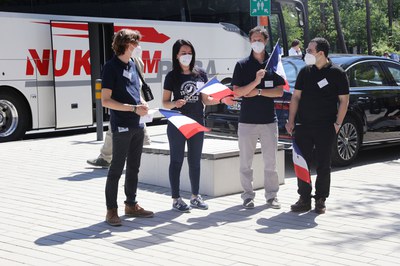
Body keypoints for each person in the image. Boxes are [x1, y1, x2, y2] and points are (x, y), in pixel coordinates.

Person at [162, 39, 234, 212]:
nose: (186, 56)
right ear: (176, 55)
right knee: (177, 160)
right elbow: (164, 103)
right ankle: (176, 199)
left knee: (195, 161)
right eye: (183, 53)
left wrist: (223, 98)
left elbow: (206, 99)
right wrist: (175, 103)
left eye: (189, 52)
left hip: (196, 122)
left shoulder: (200, 74)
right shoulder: (172, 76)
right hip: (178, 122)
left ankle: (195, 196)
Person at [285, 37, 349, 214]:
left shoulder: (337, 73)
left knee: (323, 164)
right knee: (301, 163)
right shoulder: (305, 72)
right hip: (304, 125)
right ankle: (304, 198)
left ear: (321, 53)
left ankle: (320, 199)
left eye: (310, 51)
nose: (307, 53)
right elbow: (295, 97)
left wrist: (338, 123)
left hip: (326, 126)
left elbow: (344, 101)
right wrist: (291, 121)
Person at [102, 29, 154, 226]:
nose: (138, 46)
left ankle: (131, 205)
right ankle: (111, 211)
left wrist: (141, 104)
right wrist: (133, 108)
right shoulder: (110, 67)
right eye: (135, 43)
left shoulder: (132, 64)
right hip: (122, 125)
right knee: (116, 168)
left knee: (134, 167)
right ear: (126, 44)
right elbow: (106, 101)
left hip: (137, 124)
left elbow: (134, 91)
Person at [232, 26, 285, 210]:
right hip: (247, 121)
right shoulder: (242, 65)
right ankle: (247, 196)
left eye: (260, 40)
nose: (257, 43)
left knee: (271, 162)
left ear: (266, 41)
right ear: (249, 41)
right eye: (253, 39)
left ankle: (272, 196)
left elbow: (279, 91)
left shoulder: (274, 63)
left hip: (269, 122)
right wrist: (255, 81)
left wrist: (259, 91)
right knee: (245, 162)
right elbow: (238, 92)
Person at [86, 55, 151, 169]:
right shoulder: (115, 64)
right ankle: (106, 157)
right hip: (127, 106)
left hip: (130, 103)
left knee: (133, 129)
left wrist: (140, 101)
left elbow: (137, 83)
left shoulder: (133, 61)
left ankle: (148, 156)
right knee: (116, 128)